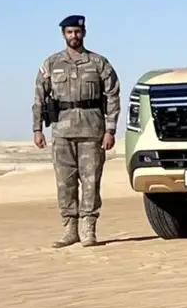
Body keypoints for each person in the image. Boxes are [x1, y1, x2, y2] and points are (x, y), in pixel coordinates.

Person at [31, 15, 121, 248]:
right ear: (63, 34)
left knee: (91, 182)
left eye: (78, 32)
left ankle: (88, 228)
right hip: (62, 132)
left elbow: (112, 96)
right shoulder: (51, 64)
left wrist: (110, 129)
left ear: (84, 33)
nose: (74, 36)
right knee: (65, 183)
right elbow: (39, 98)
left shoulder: (99, 63)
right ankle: (70, 229)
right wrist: (37, 129)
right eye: (70, 32)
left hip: (92, 130)